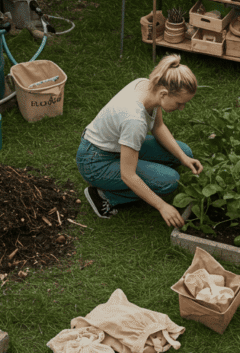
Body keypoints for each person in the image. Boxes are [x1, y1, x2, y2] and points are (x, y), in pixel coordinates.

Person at [76, 54, 202, 227]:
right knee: (169, 181)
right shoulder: (134, 120)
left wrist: (183, 157)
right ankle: (103, 196)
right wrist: (162, 205)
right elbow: (128, 175)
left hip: (116, 147)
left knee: (184, 152)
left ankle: (147, 170)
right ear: (164, 94)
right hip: (96, 161)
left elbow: (158, 127)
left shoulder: (149, 87)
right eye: (179, 103)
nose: (182, 108)